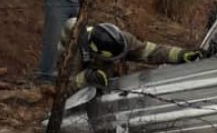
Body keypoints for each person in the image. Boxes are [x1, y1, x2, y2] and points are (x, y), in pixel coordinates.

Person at [59, 18, 202, 94]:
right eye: (111, 60)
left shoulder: (123, 40)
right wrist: (88, 77)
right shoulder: (73, 54)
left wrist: (181, 55)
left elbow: (151, 51)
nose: (116, 62)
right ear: (95, 52)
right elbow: (64, 90)